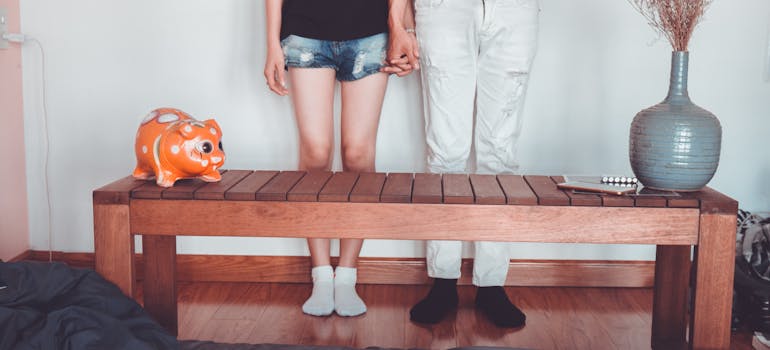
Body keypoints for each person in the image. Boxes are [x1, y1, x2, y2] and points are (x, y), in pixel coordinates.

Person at [385, 0, 540, 328]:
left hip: (515, 10)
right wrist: (398, 22)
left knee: (499, 154)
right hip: (444, 9)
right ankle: (443, 280)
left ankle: (492, 283)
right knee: (445, 153)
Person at [263, 0, 391, 317]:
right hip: (305, 30)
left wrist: (402, 26)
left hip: (370, 30)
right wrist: (271, 43)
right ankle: (321, 275)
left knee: (358, 155)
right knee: (316, 153)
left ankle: (347, 276)